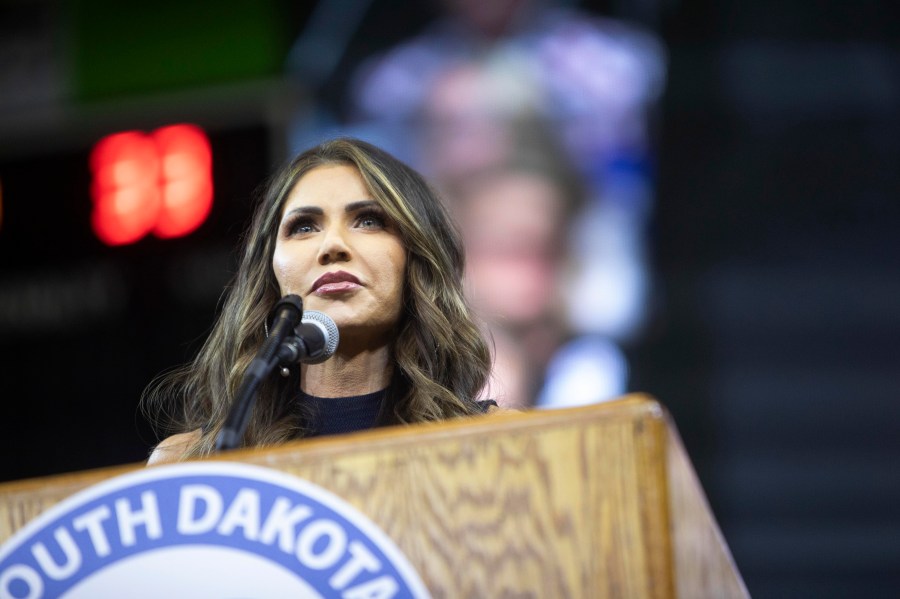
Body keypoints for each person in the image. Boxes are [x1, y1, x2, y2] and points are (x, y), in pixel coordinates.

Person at [145, 138, 496, 465]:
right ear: (271, 274)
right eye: (303, 227)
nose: (332, 245)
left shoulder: (500, 444)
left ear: (415, 258)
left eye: (369, 221)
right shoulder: (187, 463)